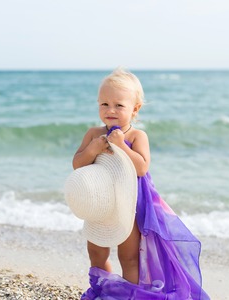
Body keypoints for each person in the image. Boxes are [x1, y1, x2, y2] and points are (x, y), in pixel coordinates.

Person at [71, 67, 210, 299]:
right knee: (96, 251)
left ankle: (129, 293)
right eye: (104, 104)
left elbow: (142, 166)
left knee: (129, 256)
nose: (110, 110)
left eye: (119, 105)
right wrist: (93, 148)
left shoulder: (137, 136)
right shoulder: (93, 133)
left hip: (130, 206)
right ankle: (102, 289)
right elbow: (77, 164)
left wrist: (122, 146)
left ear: (135, 109)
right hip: (101, 204)